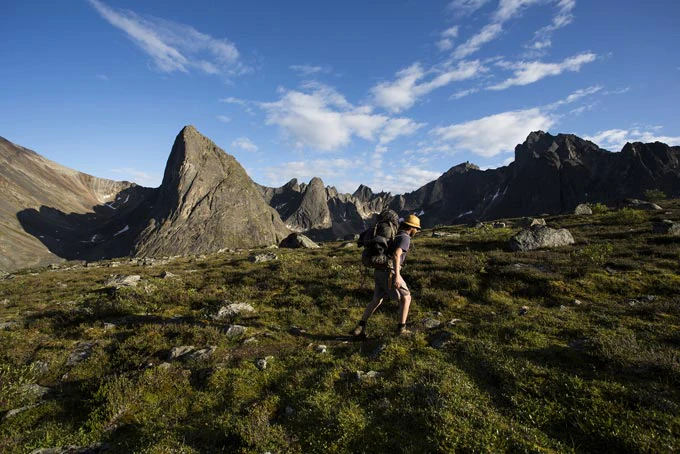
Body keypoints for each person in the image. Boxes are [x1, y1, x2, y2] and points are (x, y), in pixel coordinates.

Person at [352, 214, 421, 338]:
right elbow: (396, 255)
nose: (417, 231)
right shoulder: (405, 238)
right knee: (407, 297)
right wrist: (398, 276)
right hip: (389, 273)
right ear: (412, 228)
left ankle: (360, 327)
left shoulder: (395, 235)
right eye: (417, 229)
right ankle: (401, 329)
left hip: (379, 271)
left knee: (376, 300)